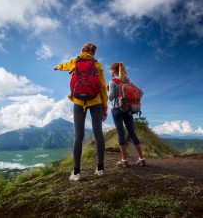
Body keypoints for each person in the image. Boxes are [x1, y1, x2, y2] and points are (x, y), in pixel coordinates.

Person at [54, 42, 108, 181]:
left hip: (78, 102)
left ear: (82, 50)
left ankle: (76, 172)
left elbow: (64, 66)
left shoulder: (74, 62)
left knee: (79, 135)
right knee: (98, 133)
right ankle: (100, 169)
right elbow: (102, 87)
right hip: (96, 102)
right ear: (93, 53)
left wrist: (57, 67)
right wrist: (105, 106)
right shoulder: (97, 65)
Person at [108, 62, 146, 167]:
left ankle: (124, 160)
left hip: (116, 109)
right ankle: (141, 159)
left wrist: (109, 91)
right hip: (128, 109)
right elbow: (141, 92)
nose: (109, 72)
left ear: (114, 70)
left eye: (110, 70)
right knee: (132, 133)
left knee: (121, 134)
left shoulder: (112, 82)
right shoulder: (128, 81)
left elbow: (110, 97)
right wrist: (132, 102)